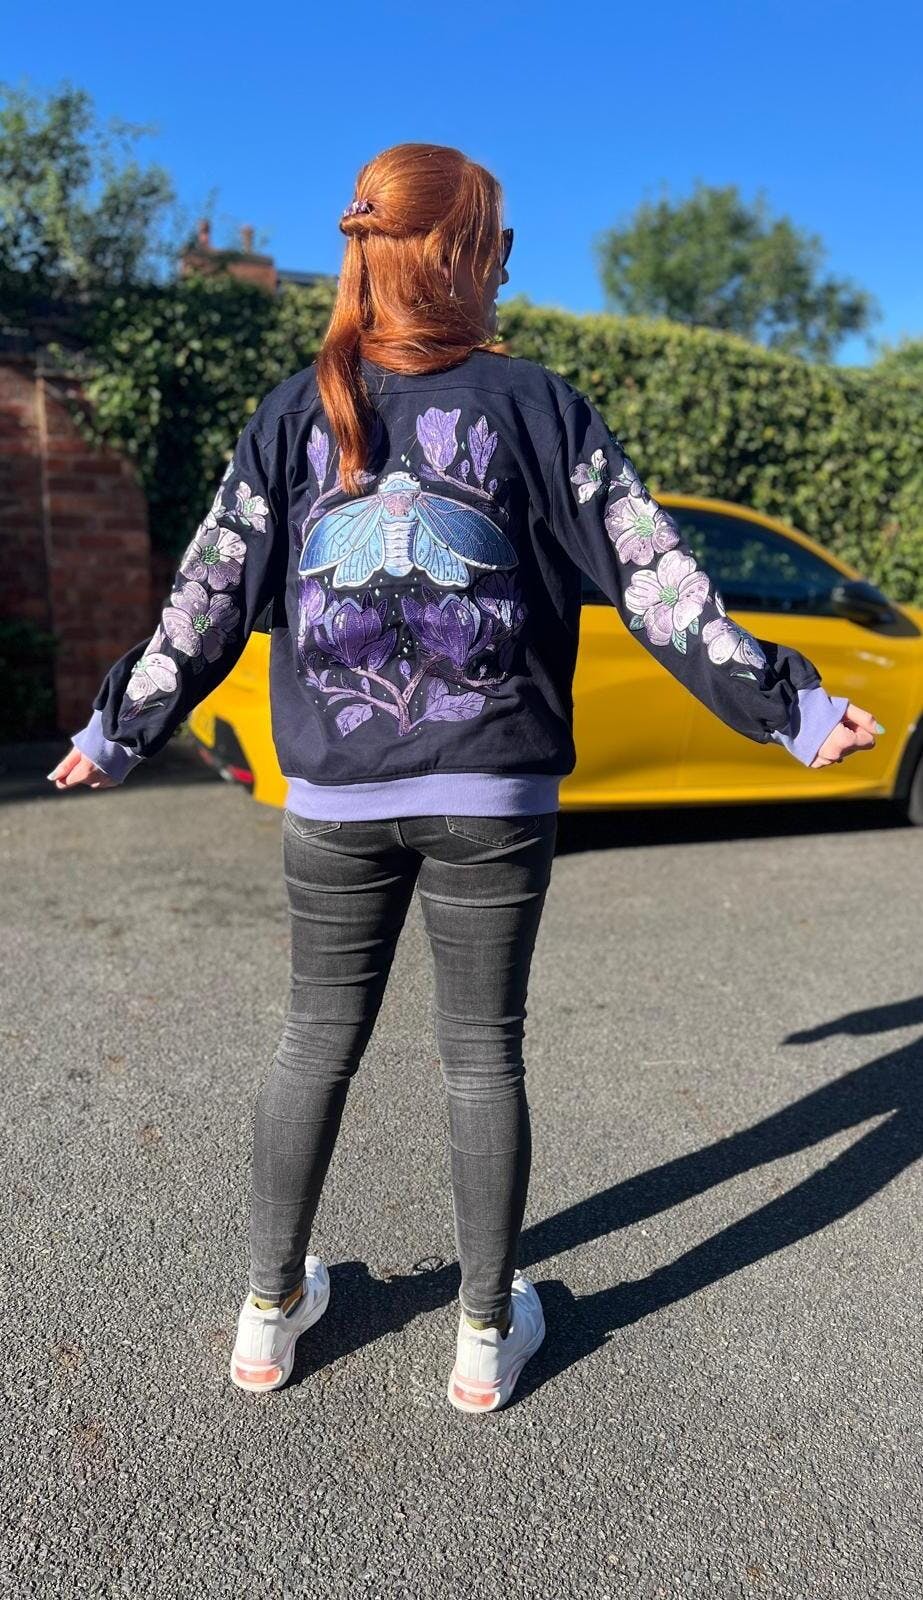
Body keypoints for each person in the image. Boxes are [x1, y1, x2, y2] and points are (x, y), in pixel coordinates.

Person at [49, 142, 882, 1414]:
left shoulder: (294, 411)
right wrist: (793, 708)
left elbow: (207, 594)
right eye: (498, 243)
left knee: (311, 1043)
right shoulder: (538, 407)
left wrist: (119, 728)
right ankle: (485, 1333)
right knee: (482, 1057)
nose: (507, 266)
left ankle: (267, 1315)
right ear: (464, 255)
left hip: (334, 798)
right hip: (492, 799)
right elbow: (654, 577)